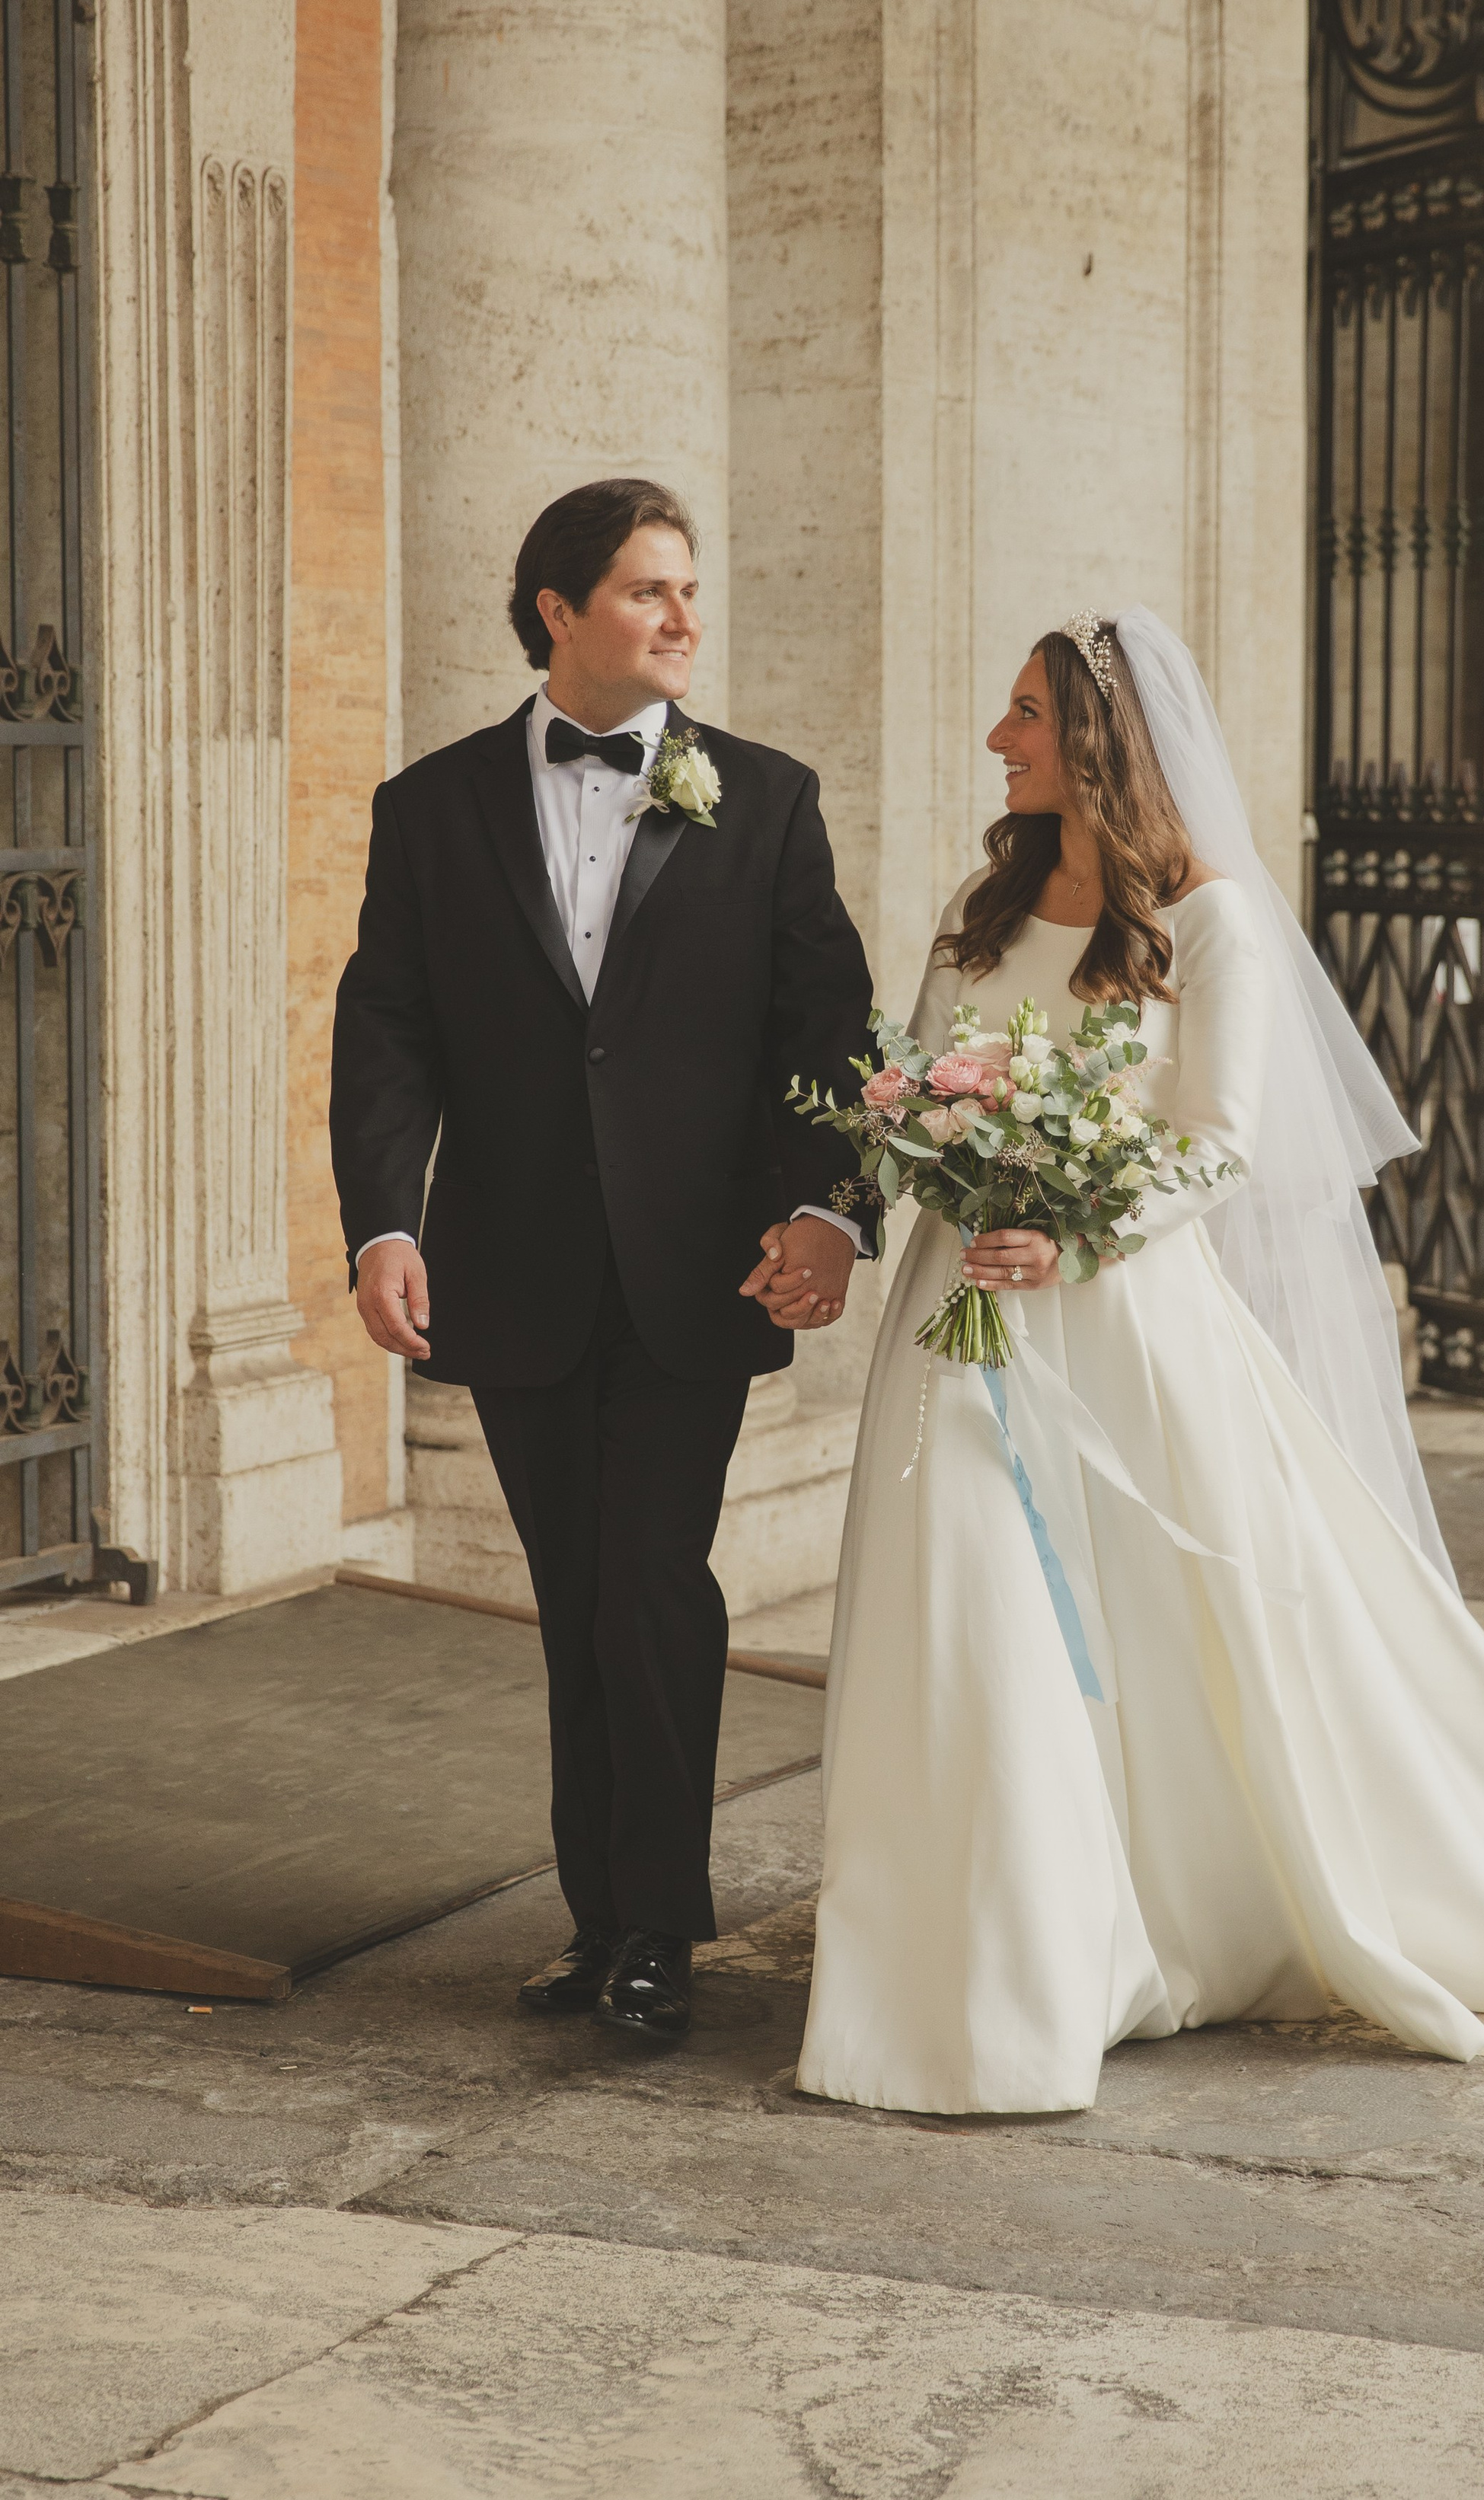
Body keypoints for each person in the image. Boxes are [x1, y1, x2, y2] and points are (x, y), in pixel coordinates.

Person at [797, 607, 1484, 2115]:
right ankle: (986, 1944)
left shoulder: (1207, 923)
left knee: (1158, 1621)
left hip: (1121, 1322)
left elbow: (1216, 1145)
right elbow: (911, 1084)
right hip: (957, 1324)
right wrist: (903, 1182)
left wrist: (1073, 1237)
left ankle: (1149, 1916)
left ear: (1097, 739)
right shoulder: (984, 904)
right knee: (964, 1607)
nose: (998, 737)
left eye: (1025, 712)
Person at [330, 479, 875, 2045]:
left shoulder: (765, 800)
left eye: (688, 587)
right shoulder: (429, 809)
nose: (684, 617)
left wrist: (832, 1211)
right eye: (649, 590)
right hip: (510, 1273)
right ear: (558, 611)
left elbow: (824, 1031)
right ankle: (597, 1915)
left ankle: (660, 1927)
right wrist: (383, 1224)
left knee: (650, 1582)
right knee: (574, 1598)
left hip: (698, 1271)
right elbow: (388, 1030)